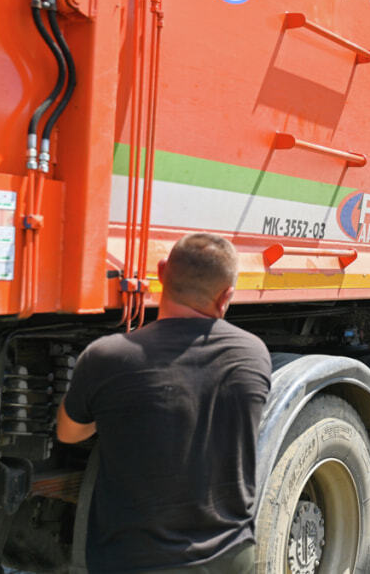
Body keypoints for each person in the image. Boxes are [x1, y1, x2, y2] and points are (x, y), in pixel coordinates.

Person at [57, 233, 272, 573]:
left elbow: (69, 433)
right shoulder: (254, 353)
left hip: (135, 561)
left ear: (160, 272)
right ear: (226, 295)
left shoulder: (107, 357)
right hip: (229, 557)